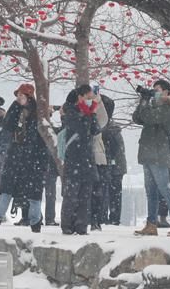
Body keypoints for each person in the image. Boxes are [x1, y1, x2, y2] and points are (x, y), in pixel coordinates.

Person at [0, 84, 48, 232]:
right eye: (17, 96)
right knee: (6, 189)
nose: (18, 98)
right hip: (15, 154)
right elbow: (7, 126)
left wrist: (40, 159)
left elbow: (41, 137)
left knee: (34, 193)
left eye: (21, 96)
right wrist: (15, 107)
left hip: (33, 157)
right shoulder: (15, 110)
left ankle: (35, 222)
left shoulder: (38, 113)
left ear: (28, 96)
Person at [133, 79, 170, 237]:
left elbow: (149, 118)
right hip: (148, 153)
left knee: (164, 189)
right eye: (154, 90)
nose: (156, 93)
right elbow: (137, 118)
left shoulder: (168, 109)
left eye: (159, 90)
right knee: (151, 191)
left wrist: (146, 102)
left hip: (159, 153)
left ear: (167, 92)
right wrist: (144, 100)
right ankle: (151, 224)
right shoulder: (152, 106)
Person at [60, 85, 102, 235]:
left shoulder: (89, 113)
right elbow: (81, 129)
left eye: (92, 98)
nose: (90, 101)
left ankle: (81, 226)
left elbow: (95, 130)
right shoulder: (71, 111)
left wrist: (92, 113)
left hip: (87, 160)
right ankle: (67, 225)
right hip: (74, 160)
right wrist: (88, 114)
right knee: (71, 195)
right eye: (88, 98)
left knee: (85, 197)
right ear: (80, 97)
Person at [101, 96, 126, 225]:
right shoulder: (112, 126)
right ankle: (113, 219)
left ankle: (108, 219)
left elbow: (113, 150)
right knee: (114, 194)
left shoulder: (107, 127)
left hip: (112, 165)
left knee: (107, 192)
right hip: (116, 166)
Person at [89, 86, 111, 231]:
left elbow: (103, 119)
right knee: (93, 191)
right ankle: (91, 217)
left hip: (97, 157)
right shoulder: (81, 112)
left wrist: (97, 100)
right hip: (90, 157)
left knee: (97, 191)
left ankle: (95, 218)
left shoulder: (97, 114)